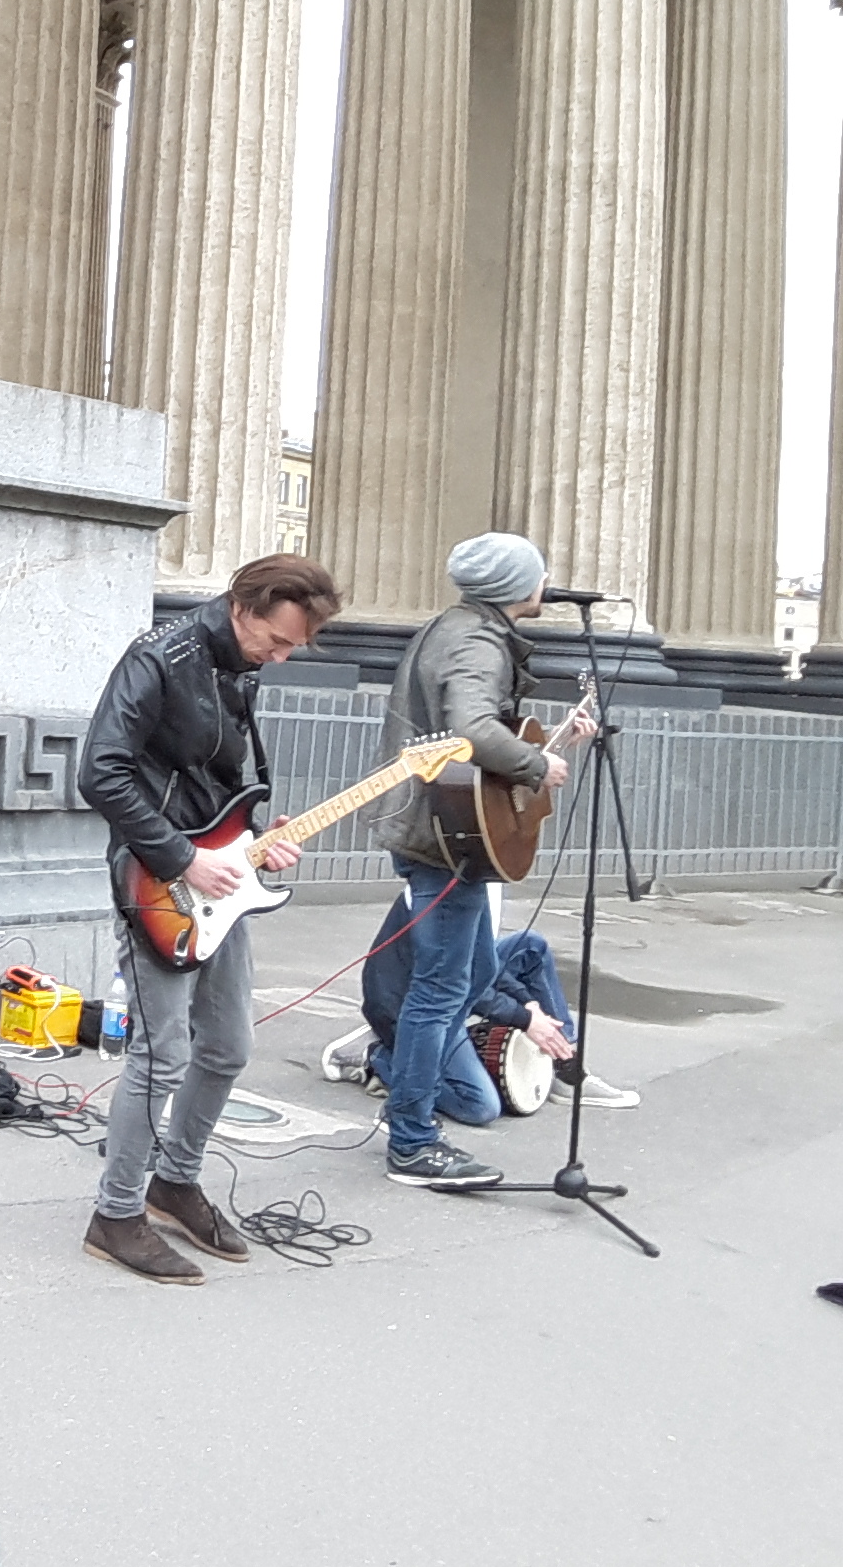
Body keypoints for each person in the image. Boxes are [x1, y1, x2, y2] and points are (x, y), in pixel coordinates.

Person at [79, 553, 343, 1285]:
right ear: (242, 606)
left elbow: (211, 784)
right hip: (157, 879)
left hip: (217, 873)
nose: (281, 657)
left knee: (226, 1045)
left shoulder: (238, 666)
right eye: (277, 640)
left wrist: (257, 839)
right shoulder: (160, 657)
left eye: (294, 647)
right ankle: (116, 1213)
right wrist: (180, 858)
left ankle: (174, 1181)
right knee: (162, 1054)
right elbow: (100, 770)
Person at [368, 532, 603, 1188]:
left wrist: (539, 750)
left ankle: (410, 1095)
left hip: (440, 829)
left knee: (468, 976)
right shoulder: (478, 641)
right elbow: (470, 729)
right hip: (444, 840)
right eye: (538, 573)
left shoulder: (455, 628)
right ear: (516, 585)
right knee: (440, 989)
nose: (546, 582)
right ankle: (412, 1141)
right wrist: (535, 763)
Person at [321, 901, 641, 1119]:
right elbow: (461, 981)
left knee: (530, 946)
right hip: (410, 1003)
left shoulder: (487, 877)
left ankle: (565, 1065)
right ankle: (375, 1055)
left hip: (446, 983)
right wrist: (525, 1018)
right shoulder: (449, 882)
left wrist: (527, 1002)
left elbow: (481, 962)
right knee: (479, 1105)